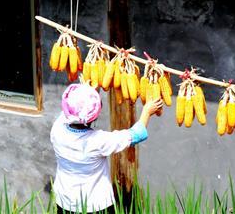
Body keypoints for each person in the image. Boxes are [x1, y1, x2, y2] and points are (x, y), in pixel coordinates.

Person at [50, 83, 163, 214]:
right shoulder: (98, 141)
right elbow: (136, 134)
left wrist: (89, 91)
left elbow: (70, 110)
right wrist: (147, 111)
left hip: (65, 202)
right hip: (95, 206)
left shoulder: (57, 130)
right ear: (95, 116)